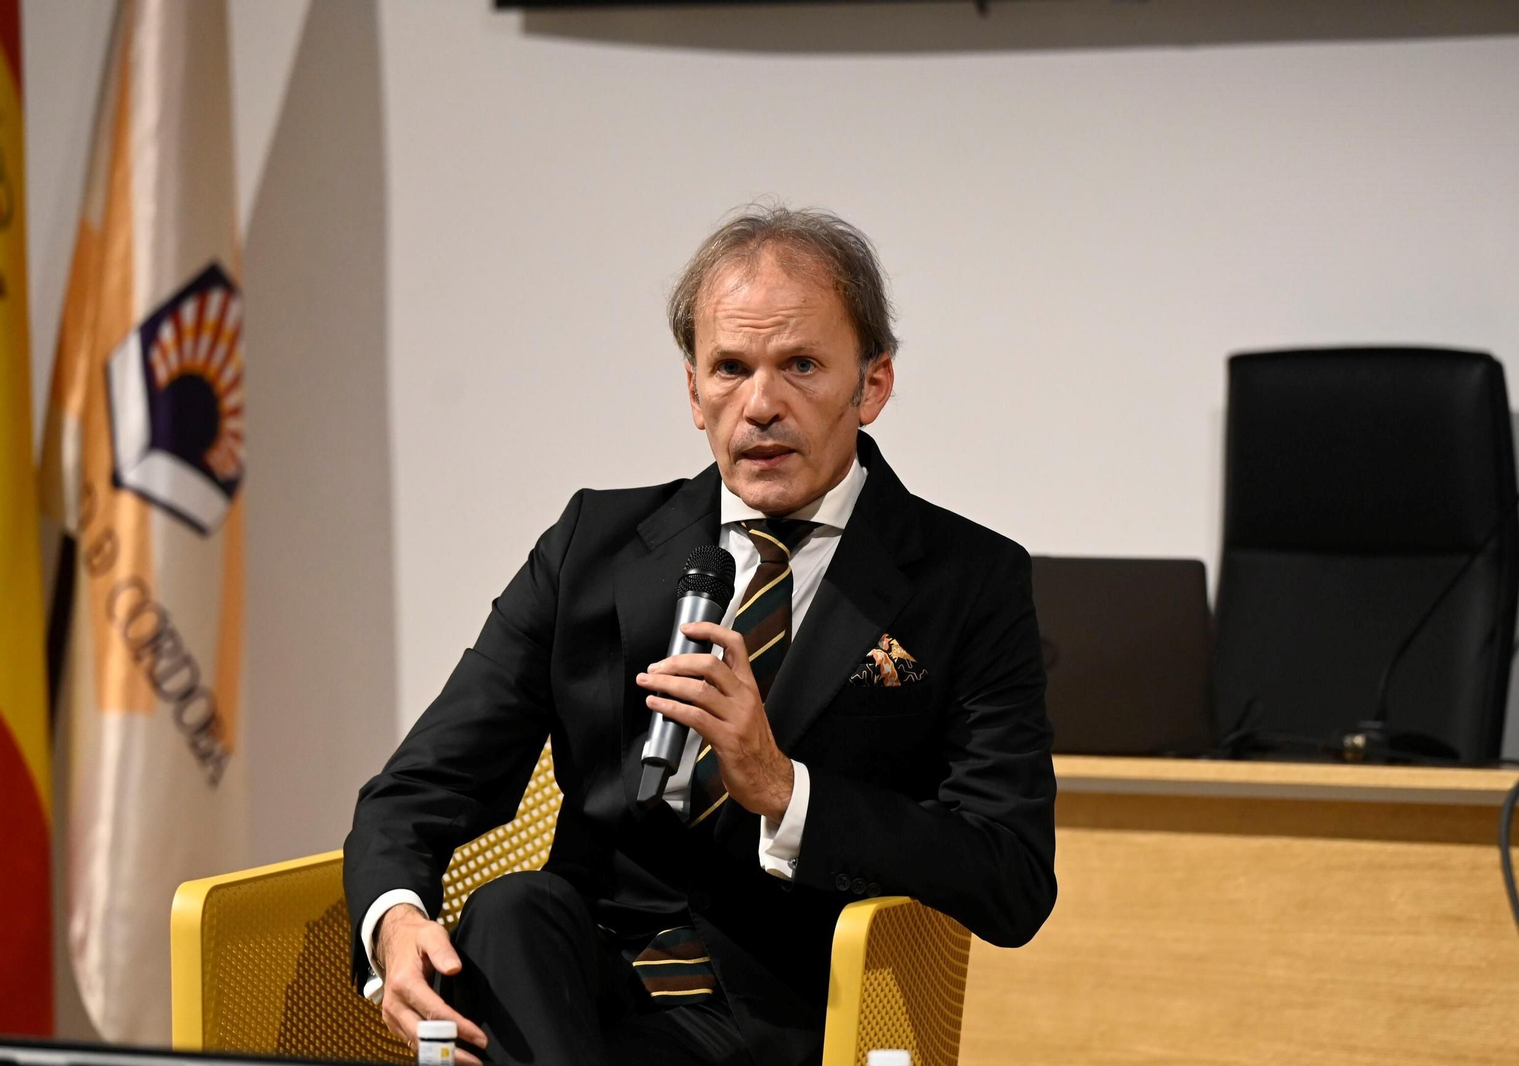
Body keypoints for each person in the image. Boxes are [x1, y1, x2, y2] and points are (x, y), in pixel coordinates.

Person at [343, 205, 1057, 1066]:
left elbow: (1011, 875)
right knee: (508, 909)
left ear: (872, 385)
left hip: (776, 1009)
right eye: (730, 368)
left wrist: (785, 788)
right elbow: (423, 784)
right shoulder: (590, 548)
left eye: (800, 365)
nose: (760, 405)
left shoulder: (966, 579)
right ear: (693, 392)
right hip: (571, 988)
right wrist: (395, 920)